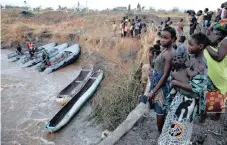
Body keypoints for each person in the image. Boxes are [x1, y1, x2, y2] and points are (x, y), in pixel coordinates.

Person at [158, 32, 209, 145]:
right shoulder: (193, 58)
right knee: (171, 124)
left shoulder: (201, 64)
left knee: (177, 130)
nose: (188, 47)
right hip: (180, 98)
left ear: (200, 46)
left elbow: (196, 88)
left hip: (186, 103)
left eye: (191, 44)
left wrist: (176, 82)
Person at [140, 27, 176, 133]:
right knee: (159, 108)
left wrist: (153, 91)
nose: (162, 40)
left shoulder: (169, 53)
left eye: (166, 38)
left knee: (160, 109)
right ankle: (163, 129)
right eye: (162, 37)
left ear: (173, 39)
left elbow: (165, 76)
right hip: (157, 82)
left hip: (161, 86)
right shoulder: (165, 50)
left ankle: (161, 132)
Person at [200, 22, 227, 122]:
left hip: (219, 73)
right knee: (216, 95)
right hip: (218, 72)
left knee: (212, 94)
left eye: (217, 31)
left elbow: (219, 57)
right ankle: (213, 116)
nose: (215, 33)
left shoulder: (225, 41)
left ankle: (207, 117)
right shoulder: (222, 39)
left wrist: (206, 45)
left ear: (221, 32)